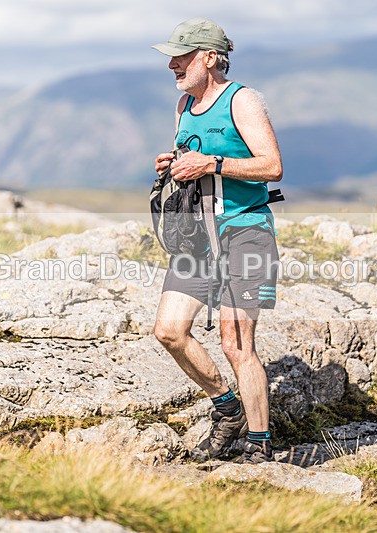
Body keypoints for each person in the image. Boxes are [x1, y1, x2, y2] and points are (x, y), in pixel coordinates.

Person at [151, 18, 283, 464]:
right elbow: (194, 158)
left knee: (235, 341)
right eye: (172, 56)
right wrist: (175, 163)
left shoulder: (241, 100)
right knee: (169, 331)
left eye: (181, 56)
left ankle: (261, 445)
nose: (172, 64)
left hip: (246, 230)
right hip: (197, 238)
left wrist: (211, 164)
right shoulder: (184, 104)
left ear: (209, 58)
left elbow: (271, 166)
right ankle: (228, 408)